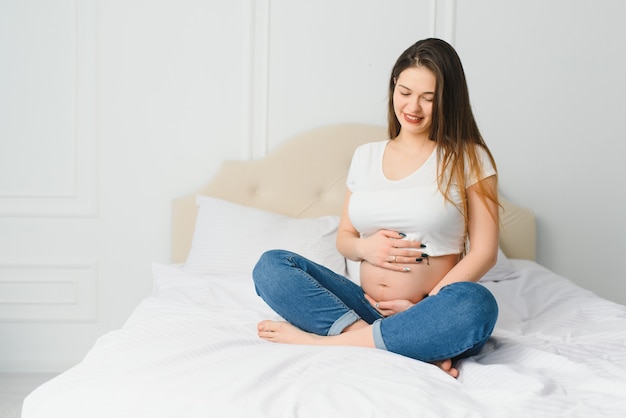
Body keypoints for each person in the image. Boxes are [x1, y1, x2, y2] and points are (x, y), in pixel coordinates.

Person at [252, 38, 499, 378]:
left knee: (477, 305)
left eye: (429, 98)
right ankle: (397, 345)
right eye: (405, 92)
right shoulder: (366, 156)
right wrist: (365, 247)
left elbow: (484, 251)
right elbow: (345, 238)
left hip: (428, 310)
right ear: (393, 87)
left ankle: (324, 342)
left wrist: (425, 306)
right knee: (271, 267)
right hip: (360, 306)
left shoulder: (469, 158)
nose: (413, 106)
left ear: (448, 101)